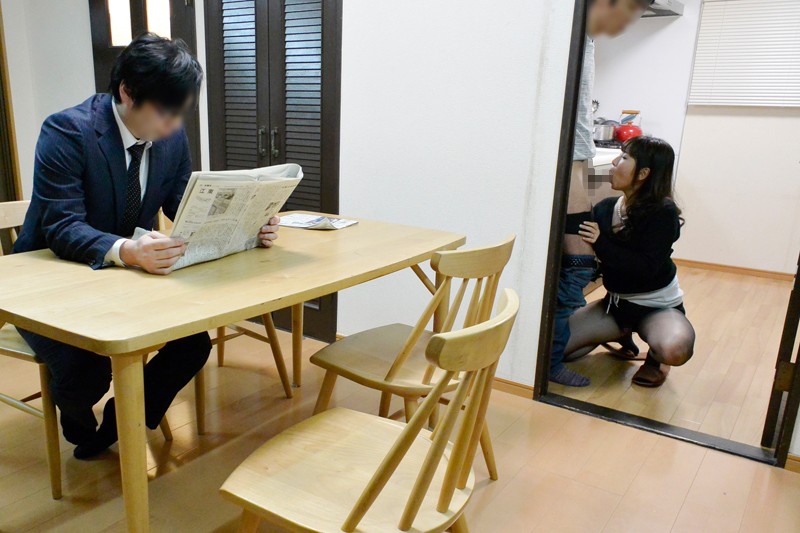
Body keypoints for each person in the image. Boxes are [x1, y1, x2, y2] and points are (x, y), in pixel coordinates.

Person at [13, 34, 281, 459]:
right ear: (127, 92)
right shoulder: (67, 131)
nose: (173, 125)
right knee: (88, 368)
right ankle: (77, 420)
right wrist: (127, 250)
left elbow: (184, 206)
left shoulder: (170, 138)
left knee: (192, 345)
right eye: (165, 112)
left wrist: (250, 225)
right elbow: (62, 227)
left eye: (181, 113)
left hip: (121, 278)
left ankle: (120, 422)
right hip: (47, 279)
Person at [551, 0, 655, 387]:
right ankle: (549, 363)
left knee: (578, 269)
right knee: (577, 269)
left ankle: (559, 350)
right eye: (625, 14)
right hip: (570, 167)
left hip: (577, 160)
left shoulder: (585, 39)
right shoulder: (569, 30)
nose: (624, 26)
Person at [565, 136, 695, 387]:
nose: (615, 162)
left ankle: (656, 359)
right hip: (615, 307)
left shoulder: (663, 213)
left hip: (657, 308)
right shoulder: (605, 208)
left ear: (644, 173)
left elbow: (644, 268)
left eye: (624, 157)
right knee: (559, 348)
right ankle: (621, 334)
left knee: (675, 350)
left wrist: (601, 243)